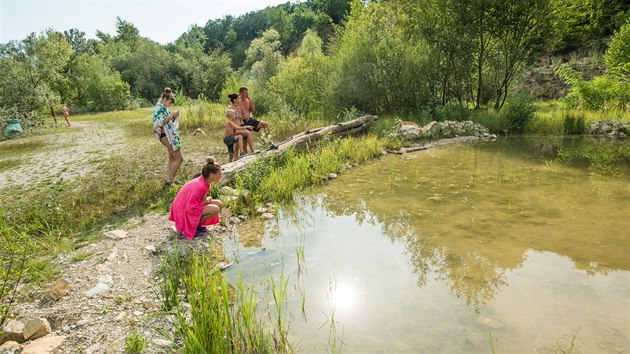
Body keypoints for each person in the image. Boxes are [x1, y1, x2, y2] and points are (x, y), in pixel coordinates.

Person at [168, 157, 223, 240]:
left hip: (188, 206)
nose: (220, 176)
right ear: (212, 175)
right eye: (219, 174)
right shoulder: (200, 186)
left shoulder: (205, 182)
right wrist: (206, 201)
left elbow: (197, 200)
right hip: (182, 211)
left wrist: (205, 200)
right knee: (215, 209)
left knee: (219, 203)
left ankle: (197, 225)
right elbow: (190, 207)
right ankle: (192, 227)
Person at [153, 90, 182, 186]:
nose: (169, 105)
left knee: (172, 157)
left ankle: (172, 178)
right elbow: (161, 122)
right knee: (179, 158)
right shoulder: (159, 108)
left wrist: (174, 116)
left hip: (166, 135)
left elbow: (168, 120)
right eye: (169, 102)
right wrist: (171, 115)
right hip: (165, 135)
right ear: (165, 99)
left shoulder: (162, 107)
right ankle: (169, 181)